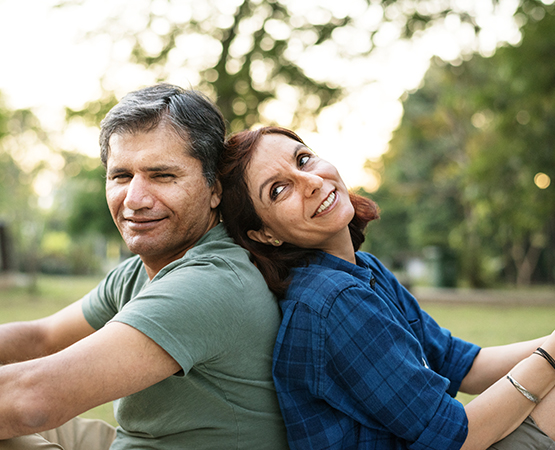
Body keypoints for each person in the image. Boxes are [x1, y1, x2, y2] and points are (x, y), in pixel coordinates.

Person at [217, 125, 555, 450]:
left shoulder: (362, 270)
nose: (311, 181)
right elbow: (458, 438)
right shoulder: (332, 301)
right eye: (279, 190)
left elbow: (461, 364)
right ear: (263, 234)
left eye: (303, 159)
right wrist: (550, 359)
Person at [0, 85, 288, 450]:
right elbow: (41, 338)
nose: (134, 200)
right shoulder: (143, 269)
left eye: (162, 176)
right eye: (121, 176)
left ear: (214, 189)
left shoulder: (212, 283)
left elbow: (33, 401)